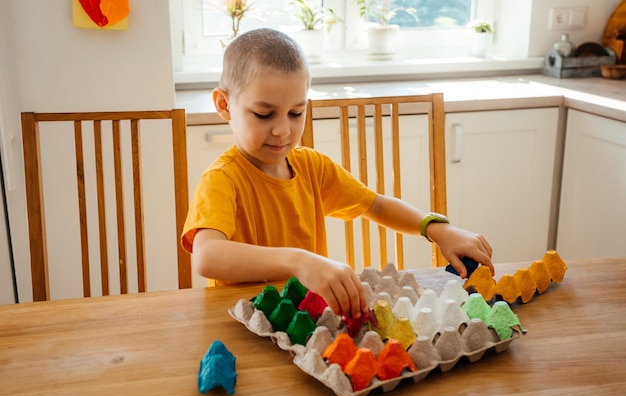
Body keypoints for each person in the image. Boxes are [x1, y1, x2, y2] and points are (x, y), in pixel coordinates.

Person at [182, 28, 493, 319]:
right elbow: (207, 256)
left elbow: (377, 206)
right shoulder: (222, 179)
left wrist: (437, 229)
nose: (282, 130)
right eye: (264, 114)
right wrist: (299, 261)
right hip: (244, 322)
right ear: (224, 104)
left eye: (296, 113)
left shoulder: (312, 168)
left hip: (307, 319)